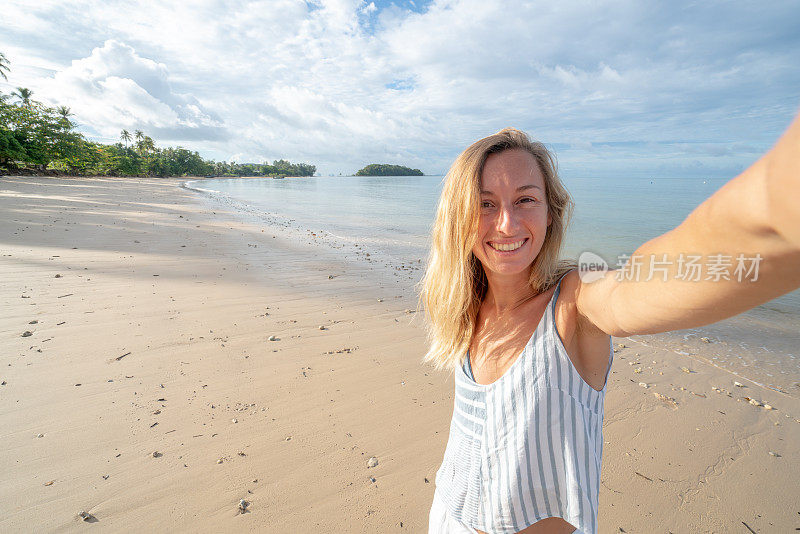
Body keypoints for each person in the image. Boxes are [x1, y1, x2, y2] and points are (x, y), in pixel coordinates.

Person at [420, 110, 800, 534]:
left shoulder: (576, 302)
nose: (506, 222)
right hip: (447, 517)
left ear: (551, 212)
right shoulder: (467, 307)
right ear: (460, 217)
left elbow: (636, 287)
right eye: (485, 204)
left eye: (525, 199)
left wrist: (780, 206)